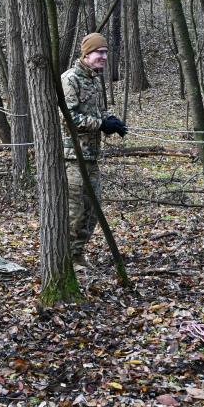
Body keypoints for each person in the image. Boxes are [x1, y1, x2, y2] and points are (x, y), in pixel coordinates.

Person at [61, 33, 127, 268]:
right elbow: (68, 116)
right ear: (87, 54)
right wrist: (100, 124)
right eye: (100, 52)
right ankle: (67, 258)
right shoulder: (70, 79)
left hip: (91, 157)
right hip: (72, 158)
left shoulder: (92, 79)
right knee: (75, 212)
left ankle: (78, 254)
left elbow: (98, 111)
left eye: (106, 52)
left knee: (93, 209)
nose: (104, 57)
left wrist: (112, 121)